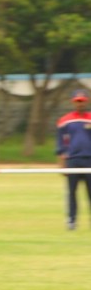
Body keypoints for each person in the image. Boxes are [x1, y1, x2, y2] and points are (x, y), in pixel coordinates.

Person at [56, 88, 91, 230]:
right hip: (72, 161)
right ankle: (71, 220)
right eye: (77, 101)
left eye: (82, 101)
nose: (80, 104)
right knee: (71, 192)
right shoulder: (65, 121)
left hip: (89, 160)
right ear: (73, 102)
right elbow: (60, 144)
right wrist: (62, 164)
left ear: (86, 101)